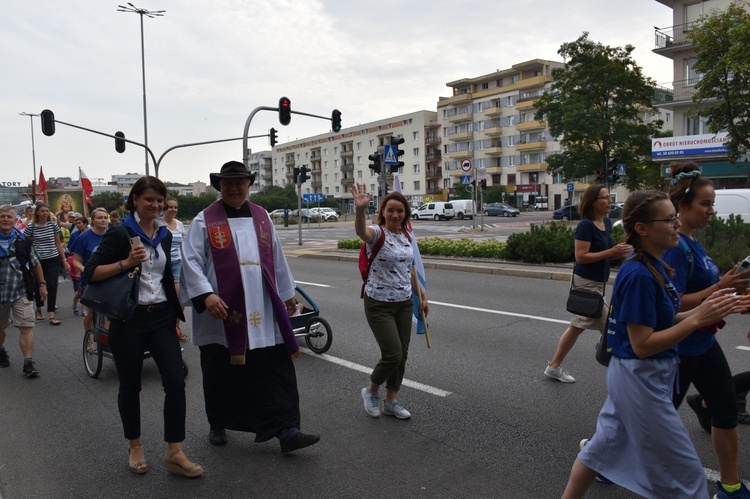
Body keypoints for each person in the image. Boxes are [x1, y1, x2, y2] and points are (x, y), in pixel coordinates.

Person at [561, 190, 749, 499]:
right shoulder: (638, 275)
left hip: (640, 376)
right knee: (687, 478)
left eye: (675, 217)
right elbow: (643, 344)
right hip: (639, 379)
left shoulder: (655, 266)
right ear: (642, 229)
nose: (677, 225)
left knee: (599, 451)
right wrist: (697, 320)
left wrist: (708, 307)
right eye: (669, 219)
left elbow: (665, 318)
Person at [180, 161, 319, 453]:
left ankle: (287, 430)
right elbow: (190, 260)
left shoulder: (262, 216)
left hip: (263, 308)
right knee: (220, 371)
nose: (234, 188)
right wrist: (205, 295)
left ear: (248, 184)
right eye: (228, 183)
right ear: (219, 186)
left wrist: (286, 292)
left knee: (275, 369)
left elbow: (276, 256)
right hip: (223, 311)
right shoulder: (205, 220)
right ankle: (217, 422)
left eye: (239, 182)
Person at [83, 176, 201, 478]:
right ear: (135, 199)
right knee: (130, 385)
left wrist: (176, 307)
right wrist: (125, 263)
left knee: (175, 381)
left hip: (161, 316)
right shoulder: (120, 233)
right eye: (150, 200)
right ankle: (135, 445)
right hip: (129, 319)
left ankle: (174, 451)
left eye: (160, 201)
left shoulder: (164, 233)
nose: (156, 206)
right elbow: (90, 274)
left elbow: (164, 275)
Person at [662, 162, 750, 498]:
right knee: (653, 419)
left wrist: (732, 291)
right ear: (683, 206)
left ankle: (730, 486)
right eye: (705, 203)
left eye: (713, 204)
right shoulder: (675, 245)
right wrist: (720, 287)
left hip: (703, 343)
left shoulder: (693, 242)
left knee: (726, 409)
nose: (712, 211)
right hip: (679, 347)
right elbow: (675, 305)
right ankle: (602, 457)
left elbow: (707, 291)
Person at [351, 183, 428, 420]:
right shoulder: (377, 233)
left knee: (402, 355)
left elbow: (411, 270)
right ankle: (371, 391)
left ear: (406, 214)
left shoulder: (406, 236)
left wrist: (422, 297)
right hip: (379, 303)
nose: (395, 215)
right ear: (383, 211)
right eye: (390, 210)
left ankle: (391, 401)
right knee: (393, 353)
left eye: (400, 211)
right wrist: (360, 211)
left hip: (404, 302)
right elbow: (361, 233)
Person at [544, 185, 632, 383]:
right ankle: (627, 374)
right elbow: (581, 257)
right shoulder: (586, 225)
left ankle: (553, 367)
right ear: (593, 202)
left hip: (599, 284)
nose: (610, 201)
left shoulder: (606, 222)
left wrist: (623, 253)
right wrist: (611, 253)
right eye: (606, 198)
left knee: (576, 327)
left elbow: (607, 253)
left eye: (610, 198)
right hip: (586, 284)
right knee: (611, 327)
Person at [0, 204, 47, 377]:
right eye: (2, 216)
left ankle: (28, 362)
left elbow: (35, 263)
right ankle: (1, 350)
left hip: (20, 289)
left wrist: (41, 284)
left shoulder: (23, 241)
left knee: (26, 326)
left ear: (15, 220)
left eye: (9, 217)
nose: (5, 219)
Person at [23, 202, 69, 325]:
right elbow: (25, 242)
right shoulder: (31, 227)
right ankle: (39, 309)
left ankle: (51, 314)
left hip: (53, 258)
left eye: (47, 211)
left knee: (52, 285)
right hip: (38, 260)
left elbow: (58, 244)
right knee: (39, 284)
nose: (45, 213)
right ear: (37, 212)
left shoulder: (53, 226)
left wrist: (64, 260)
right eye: (42, 211)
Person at [71, 209, 109, 329]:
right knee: (91, 312)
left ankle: (107, 341)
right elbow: (75, 261)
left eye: (105, 217)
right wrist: (86, 270)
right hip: (90, 280)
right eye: (99, 218)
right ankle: (89, 338)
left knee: (110, 313)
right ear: (92, 221)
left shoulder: (112, 235)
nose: (103, 220)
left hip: (109, 278)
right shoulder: (84, 237)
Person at [161, 196, 187, 341]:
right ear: (164, 208)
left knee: (180, 298)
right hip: (162, 265)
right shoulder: (158, 224)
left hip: (177, 264)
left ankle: (176, 327)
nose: (173, 210)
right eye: (170, 207)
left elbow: (182, 246)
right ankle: (164, 329)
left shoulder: (179, 224)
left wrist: (186, 262)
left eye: (175, 207)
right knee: (163, 299)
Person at [67, 216, 88, 316]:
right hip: (77, 264)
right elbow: (70, 249)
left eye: (80, 223)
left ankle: (84, 309)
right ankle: (75, 305)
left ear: (85, 224)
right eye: (77, 223)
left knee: (86, 289)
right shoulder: (75, 235)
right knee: (78, 291)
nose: (78, 225)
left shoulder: (90, 234)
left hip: (87, 265)